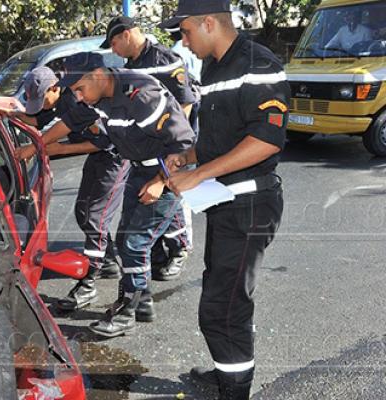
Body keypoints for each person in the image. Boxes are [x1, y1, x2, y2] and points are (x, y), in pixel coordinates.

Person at [160, 0, 289, 398]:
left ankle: (234, 389)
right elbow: (221, 139)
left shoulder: (258, 63)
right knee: (222, 294)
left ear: (210, 23)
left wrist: (196, 174)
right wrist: (189, 156)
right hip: (224, 201)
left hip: (250, 205)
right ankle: (228, 372)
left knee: (223, 308)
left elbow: (267, 140)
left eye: (185, 32)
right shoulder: (214, 67)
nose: (183, 43)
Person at [21, 52, 195, 335]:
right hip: (138, 170)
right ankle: (141, 304)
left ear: (99, 75)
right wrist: (35, 146)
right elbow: (69, 122)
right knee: (129, 238)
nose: (76, 96)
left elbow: (183, 144)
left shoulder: (141, 96)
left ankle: (127, 312)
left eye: (79, 89)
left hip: (167, 173)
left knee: (134, 245)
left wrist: (160, 182)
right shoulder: (95, 97)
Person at [0, 67, 128, 311]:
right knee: (82, 212)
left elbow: (103, 142)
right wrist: (10, 115)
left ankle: (88, 283)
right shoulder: (54, 103)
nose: (41, 107)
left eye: (41, 99)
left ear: (55, 88)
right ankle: (106, 261)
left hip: (114, 158)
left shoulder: (78, 100)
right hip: (99, 158)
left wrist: (55, 149)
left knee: (95, 217)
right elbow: (36, 119)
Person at [100, 15, 197, 281]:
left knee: (172, 196)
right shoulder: (131, 66)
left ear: (126, 35)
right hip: (146, 148)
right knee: (154, 202)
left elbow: (184, 105)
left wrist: (176, 150)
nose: (113, 51)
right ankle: (155, 253)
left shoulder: (164, 60)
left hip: (172, 145)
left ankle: (180, 249)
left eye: (113, 43)